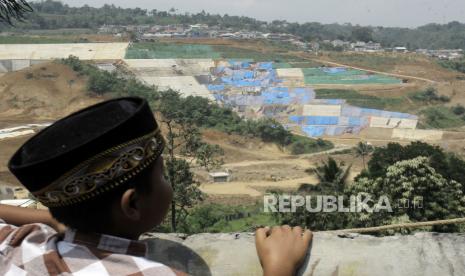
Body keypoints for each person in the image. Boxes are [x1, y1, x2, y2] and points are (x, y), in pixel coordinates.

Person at [0, 97, 312, 275]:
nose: (167, 182)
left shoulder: (19, 247)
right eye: (162, 175)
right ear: (132, 204)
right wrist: (279, 266)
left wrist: (60, 219)